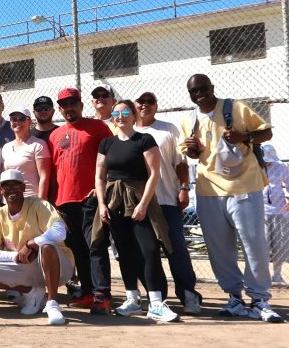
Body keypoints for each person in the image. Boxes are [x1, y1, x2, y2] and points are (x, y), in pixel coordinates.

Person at [178, 73, 283, 322]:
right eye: (193, 91)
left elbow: (265, 133)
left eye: (203, 88)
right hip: (208, 191)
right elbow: (192, 155)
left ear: (212, 87)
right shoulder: (189, 119)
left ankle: (259, 300)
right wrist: (192, 149)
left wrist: (243, 137)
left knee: (254, 244)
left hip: (244, 186)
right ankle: (234, 298)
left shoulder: (235, 107)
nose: (199, 94)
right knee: (219, 249)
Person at [94, 100, 179, 322]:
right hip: (115, 202)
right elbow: (100, 176)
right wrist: (102, 204)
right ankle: (132, 299)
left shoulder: (144, 139)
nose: (120, 116)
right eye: (116, 113)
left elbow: (154, 174)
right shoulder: (106, 143)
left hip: (139, 201)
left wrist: (143, 204)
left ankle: (156, 303)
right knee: (124, 251)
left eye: (125, 112)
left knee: (149, 249)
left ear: (133, 116)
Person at [133, 90, 201, 313]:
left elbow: (180, 163)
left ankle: (188, 294)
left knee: (176, 249)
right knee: (147, 252)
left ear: (156, 105)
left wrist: (184, 188)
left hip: (166, 199)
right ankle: (157, 297)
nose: (145, 105)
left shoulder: (168, 129)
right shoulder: (126, 130)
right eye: (141, 101)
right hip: (139, 203)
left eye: (150, 101)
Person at [48, 87, 114, 312]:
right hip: (64, 201)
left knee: (95, 246)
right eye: (64, 105)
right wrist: (53, 202)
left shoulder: (98, 127)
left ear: (81, 105)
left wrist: (101, 188)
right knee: (77, 248)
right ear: (60, 108)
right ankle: (87, 291)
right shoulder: (55, 135)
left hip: (90, 198)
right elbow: (53, 170)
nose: (69, 108)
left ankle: (102, 294)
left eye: (72, 103)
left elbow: (110, 160)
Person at [0, 169, 72, 325]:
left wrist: (32, 243)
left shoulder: (38, 205)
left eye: (15, 185)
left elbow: (60, 231)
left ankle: (52, 304)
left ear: (23, 187)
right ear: (1, 190)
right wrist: (16, 256)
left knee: (47, 245)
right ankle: (33, 293)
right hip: (25, 265)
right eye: (6, 186)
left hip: (59, 266)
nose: (11, 190)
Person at [0, 109, 51, 199]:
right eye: (14, 119)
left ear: (30, 121)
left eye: (22, 119)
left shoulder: (38, 145)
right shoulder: (6, 147)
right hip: (9, 201)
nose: (18, 122)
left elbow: (44, 176)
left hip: (31, 200)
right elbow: (3, 177)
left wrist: (41, 203)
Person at [261, 144, 289, 283]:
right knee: (263, 245)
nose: (267, 162)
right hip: (261, 211)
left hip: (280, 210)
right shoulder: (255, 167)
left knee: (280, 244)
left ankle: (277, 275)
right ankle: (264, 276)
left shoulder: (281, 166)